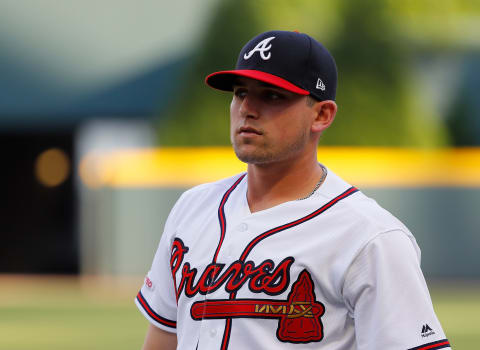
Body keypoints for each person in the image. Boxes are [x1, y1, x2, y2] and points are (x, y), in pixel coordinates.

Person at [135, 30, 451, 350]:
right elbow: (164, 338)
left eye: (272, 96)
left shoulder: (370, 236)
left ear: (322, 114)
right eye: (241, 93)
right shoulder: (192, 208)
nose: (248, 108)